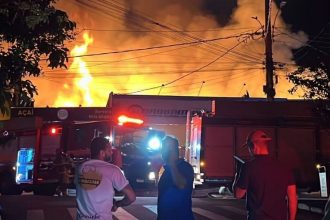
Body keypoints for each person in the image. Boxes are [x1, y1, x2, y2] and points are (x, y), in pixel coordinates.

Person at [232, 130, 297, 220]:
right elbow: (292, 198)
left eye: (248, 148)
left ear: (253, 146)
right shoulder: (284, 167)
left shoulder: (248, 167)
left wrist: (237, 175)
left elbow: (238, 194)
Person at [75, 137, 136, 220]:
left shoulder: (80, 168)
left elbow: (91, 192)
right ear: (102, 152)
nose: (111, 152)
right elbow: (131, 197)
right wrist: (118, 204)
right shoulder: (113, 170)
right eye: (109, 149)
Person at [157, 136, 195, 220]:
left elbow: (181, 185)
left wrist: (172, 164)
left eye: (165, 148)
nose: (162, 152)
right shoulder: (166, 169)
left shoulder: (185, 167)